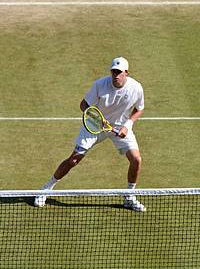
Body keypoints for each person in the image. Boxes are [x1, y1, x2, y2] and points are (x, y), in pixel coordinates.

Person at [34, 57, 146, 211]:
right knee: (74, 160)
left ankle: (129, 196)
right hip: (95, 125)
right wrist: (96, 120)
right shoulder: (100, 85)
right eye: (113, 71)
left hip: (120, 126)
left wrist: (128, 125)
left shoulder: (136, 88)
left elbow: (139, 108)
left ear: (126, 73)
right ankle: (46, 189)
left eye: (119, 72)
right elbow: (84, 105)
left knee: (136, 159)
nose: (115, 75)